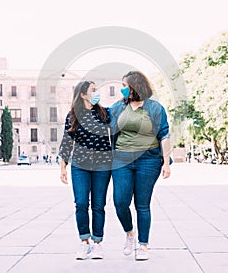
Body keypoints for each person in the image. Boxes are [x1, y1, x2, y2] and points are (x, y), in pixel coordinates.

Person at [109, 71, 171, 261]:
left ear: (135, 86)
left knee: (142, 204)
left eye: (125, 85)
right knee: (120, 202)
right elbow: (105, 127)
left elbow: (164, 134)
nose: (122, 89)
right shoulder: (117, 107)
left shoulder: (155, 108)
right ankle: (130, 234)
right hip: (121, 159)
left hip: (148, 160)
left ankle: (143, 245)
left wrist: (166, 163)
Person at [58, 80, 112, 260]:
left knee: (98, 205)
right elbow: (67, 141)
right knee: (81, 203)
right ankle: (84, 241)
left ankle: (97, 243)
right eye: (93, 90)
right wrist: (63, 167)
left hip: (102, 165)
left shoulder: (105, 114)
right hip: (80, 166)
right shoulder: (73, 115)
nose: (97, 93)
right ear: (83, 94)